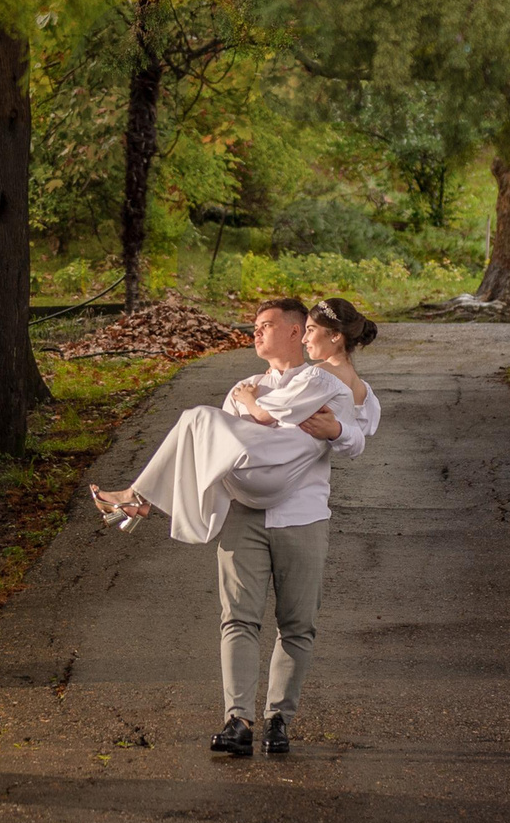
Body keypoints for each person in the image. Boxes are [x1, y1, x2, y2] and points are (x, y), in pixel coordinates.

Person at [90, 296, 382, 756]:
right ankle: (237, 719)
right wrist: (250, 407)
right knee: (238, 618)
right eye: (256, 326)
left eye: (269, 325)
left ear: (295, 332)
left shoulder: (322, 379)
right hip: (246, 511)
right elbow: (221, 448)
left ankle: (279, 719)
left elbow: (358, 435)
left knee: (297, 624)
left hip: (302, 515)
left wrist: (334, 432)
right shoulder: (246, 383)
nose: (256, 333)